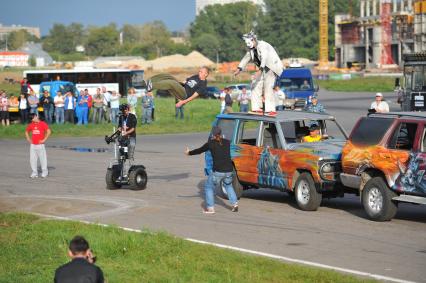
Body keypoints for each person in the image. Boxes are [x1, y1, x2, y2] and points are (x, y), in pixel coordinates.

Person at [185, 126, 239, 214]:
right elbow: (223, 143)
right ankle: (235, 204)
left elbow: (199, 150)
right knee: (228, 186)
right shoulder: (227, 142)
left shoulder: (210, 143)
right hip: (229, 170)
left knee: (208, 187)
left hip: (218, 171)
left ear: (213, 134)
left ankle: (210, 208)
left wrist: (189, 153)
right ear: (220, 133)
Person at [234, 31, 284, 115]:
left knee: (268, 87)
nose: (248, 46)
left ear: (254, 40)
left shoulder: (263, 46)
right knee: (254, 84)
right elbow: (246, 57)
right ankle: (257, 109)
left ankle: (271, 110)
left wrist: (260, 70)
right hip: (263, 68)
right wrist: (239, 68)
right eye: (247, 44)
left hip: (272, 67)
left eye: (249, 43)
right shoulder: (251, 49)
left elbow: (264, 58)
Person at [145, 66, 210, 108]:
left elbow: (194, 96)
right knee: (168, 76)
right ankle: (150, 82)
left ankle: (152, 85)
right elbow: (185, 81)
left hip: (184, 95)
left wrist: (182, 102)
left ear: (206, 74)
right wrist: (178, 83)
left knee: (171, 83)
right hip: (181, 88)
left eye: (201, 72)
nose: (199, 73)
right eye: (199, 71)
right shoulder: (196, 76)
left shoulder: (203, 84)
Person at [25, 113, 51, 178]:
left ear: (36, 116)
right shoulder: (31, 125)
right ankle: (34, 172)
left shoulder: (42, 123)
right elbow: (26, 131)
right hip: (33, 145)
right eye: (32, 119)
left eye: (33, 118)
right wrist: (28, 138)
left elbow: (48, 131)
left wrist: (44, 139)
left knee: (43, 159)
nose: (33, 120)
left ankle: (45, 171)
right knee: (32, 159)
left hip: (40, 145)